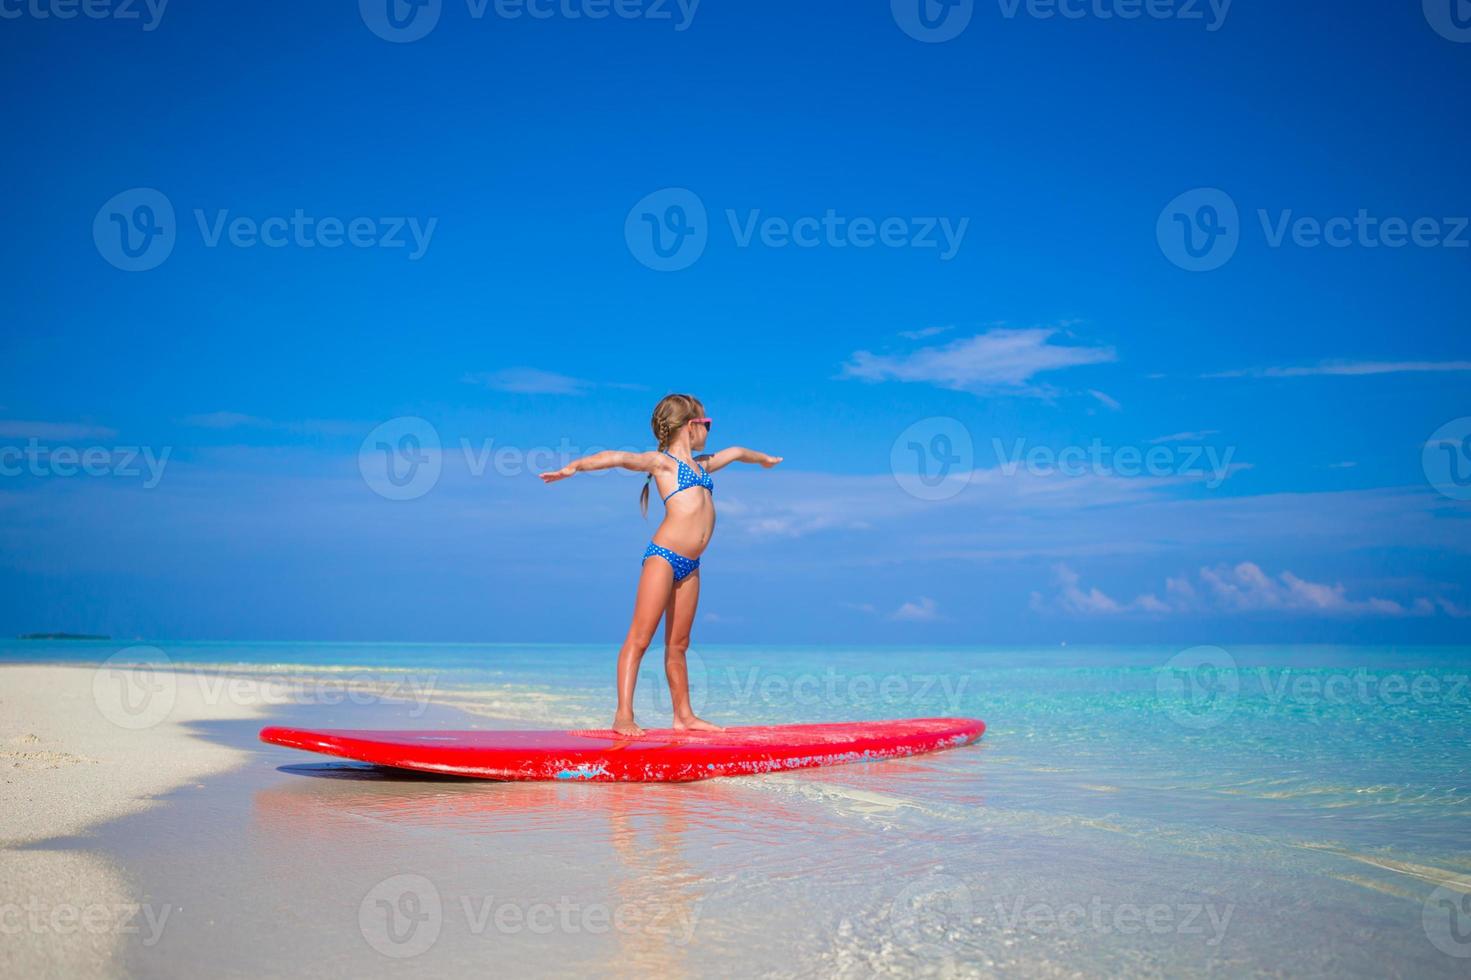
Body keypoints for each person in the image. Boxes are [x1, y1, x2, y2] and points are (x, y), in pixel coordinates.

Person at [540, 394, 783, 735]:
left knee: (679, 645)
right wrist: (575, 467)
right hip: (664, 557)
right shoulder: (663, 464)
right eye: (707, 424)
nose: (710, 431)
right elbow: (618, 458)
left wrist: (764, 460)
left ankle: (683, 716)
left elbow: (739, 451)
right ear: (690, 426)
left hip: (691, 564)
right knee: (639, 639)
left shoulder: (703, 465)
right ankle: (623, 714)